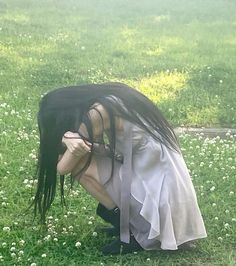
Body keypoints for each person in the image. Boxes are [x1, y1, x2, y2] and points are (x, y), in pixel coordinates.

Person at [33, 82, 207, 255]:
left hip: (160, 197)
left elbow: (63, 167)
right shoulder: (111, 100)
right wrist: (71, 139)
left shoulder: (97, 115)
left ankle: (131, 230)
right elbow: (103, 149)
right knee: (86, 156)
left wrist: (67, 138)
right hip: (165, 188)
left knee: (81, 165)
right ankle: (127, 223)